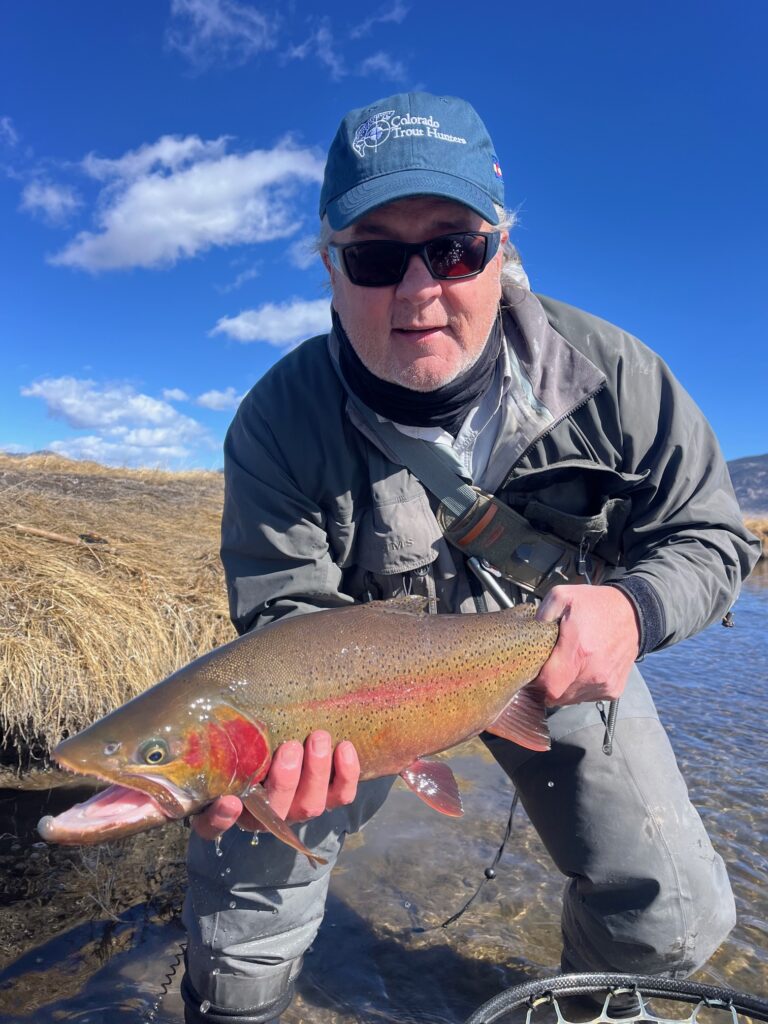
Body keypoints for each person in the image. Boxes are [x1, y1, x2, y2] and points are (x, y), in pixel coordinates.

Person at [180, 92, 761, 1024]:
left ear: (502, 248)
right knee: (239, 921)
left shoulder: (615, 378)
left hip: (555, 669)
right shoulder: (275, 424)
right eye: (374, 257)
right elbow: (284, 612)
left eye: (452, 248)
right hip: (353, 700)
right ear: (330, 268)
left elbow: (712, 534)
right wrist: (271, 758)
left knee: (675, 919)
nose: (417, 291)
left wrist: (635, 610)